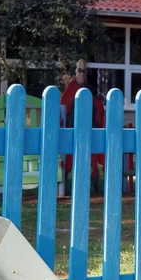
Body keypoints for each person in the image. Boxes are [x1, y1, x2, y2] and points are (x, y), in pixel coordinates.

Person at [60, 59, 105, 193]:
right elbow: (64, 111)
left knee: (92, 158)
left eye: (84, 71)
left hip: (90, 134)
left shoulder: (92, 94)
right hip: (72, 134)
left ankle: (94, 183)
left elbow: (99, 113)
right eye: (80, 71)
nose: (82, 74)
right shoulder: (70, 91)